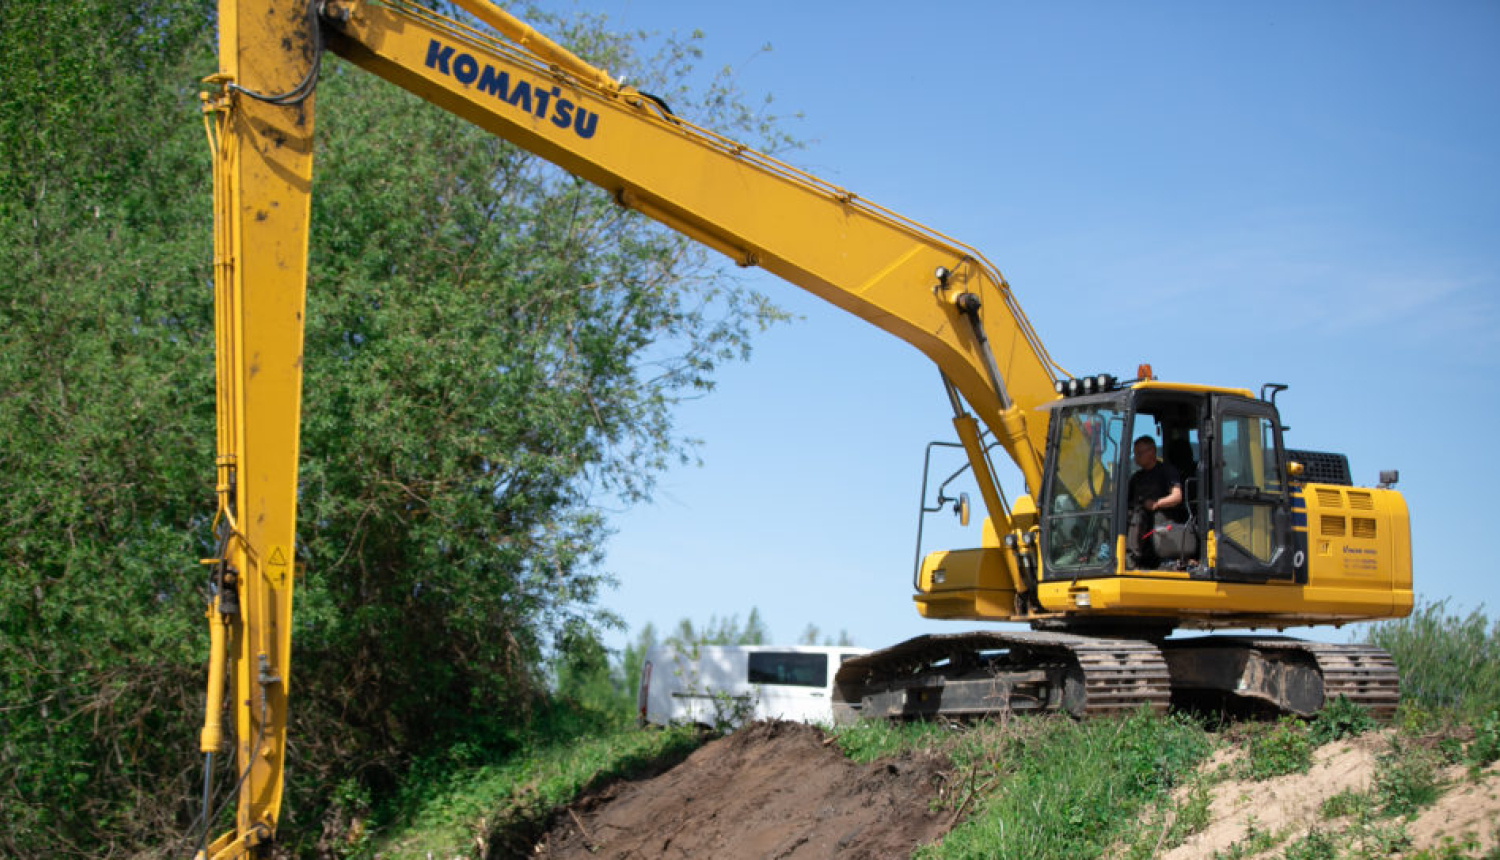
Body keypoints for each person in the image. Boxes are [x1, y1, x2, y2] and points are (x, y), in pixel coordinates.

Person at [1127, 436, 1187, 568]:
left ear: (1151, 452)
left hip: (1162, 521)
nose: (1135, 457)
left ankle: (1132, 559)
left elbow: (1177, 496)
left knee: (1137, 516)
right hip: (1141, 520)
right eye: (1135, 453)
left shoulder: (1166, 471)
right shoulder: (1136, 478)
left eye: (1139, 453)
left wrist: (1156, 504)